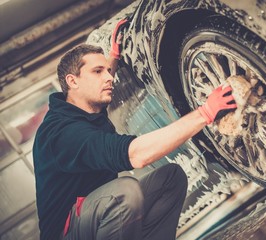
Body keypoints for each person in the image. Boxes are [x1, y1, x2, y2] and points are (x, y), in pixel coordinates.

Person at [33, 19, 237, 240]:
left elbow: (97, 83)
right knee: (124, 192)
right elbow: (136, 155)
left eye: (107, 71)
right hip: (67, 233)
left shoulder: (82, 106)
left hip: (92, 217)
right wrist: (206, 112)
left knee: (171, 178)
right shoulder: (63, 134)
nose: (109, 77)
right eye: (98, 71)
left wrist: (114, 55)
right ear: (72, 81)